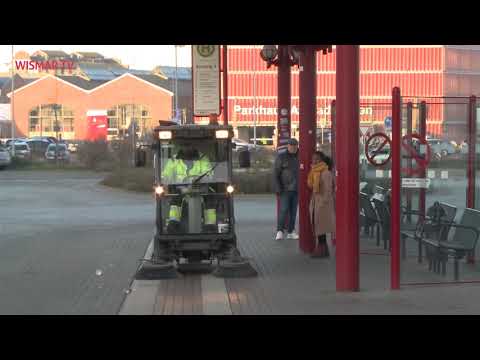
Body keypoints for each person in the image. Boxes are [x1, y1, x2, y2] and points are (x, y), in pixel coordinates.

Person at [162, 144, 216, 233]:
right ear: (181, 146)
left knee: (210, 196)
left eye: (190, 145)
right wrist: (166, 180)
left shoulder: (203, 158)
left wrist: (201, 179)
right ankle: (173, 223)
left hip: (200, 188)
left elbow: (209, 173)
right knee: (175, 197)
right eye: (185, 145)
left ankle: (210, 225)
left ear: (194, 146)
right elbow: (165, 175)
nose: (187, 148)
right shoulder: (173, 159)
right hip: (181, 189)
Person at [307, 151, 335, 258]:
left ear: (322, 160)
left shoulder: (326, 172)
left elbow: (328, 189)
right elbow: (311, 185)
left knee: (320, 227)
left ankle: (322, 250)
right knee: (318, 227)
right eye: (313, 158)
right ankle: (323, 249)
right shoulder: (314, 171)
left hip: (323, 205)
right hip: (316, 202)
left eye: (317, 159)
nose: (314, 161)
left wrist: (323, 202)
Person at [273, 138, 299, 241]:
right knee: (283, 210)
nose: (293, 148)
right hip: (284, 189)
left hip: (296, 189)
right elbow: (276, 174)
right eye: (291, 146)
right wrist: (277, 188)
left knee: (293, 212)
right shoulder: (281, 157)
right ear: (288, 146)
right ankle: (279, 231)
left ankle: (291, 231)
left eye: (295, 146)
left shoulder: (300, 156)